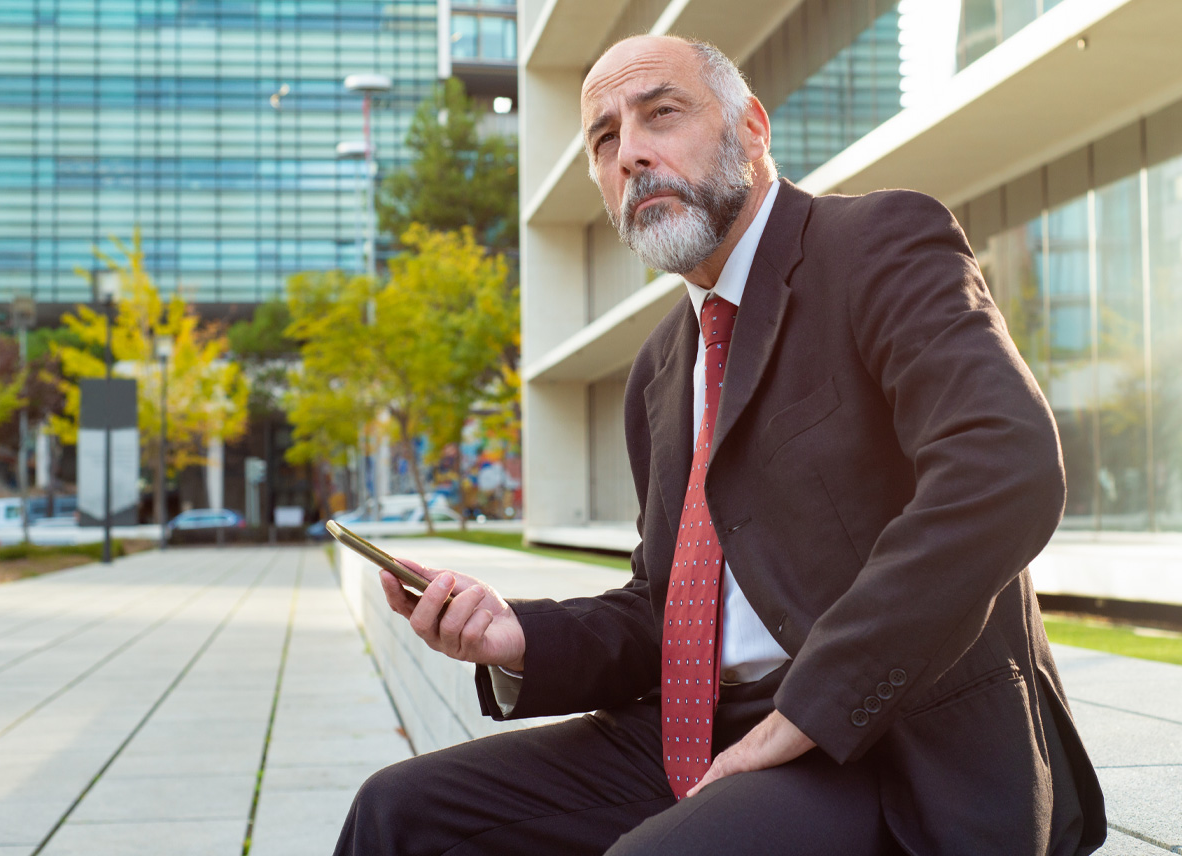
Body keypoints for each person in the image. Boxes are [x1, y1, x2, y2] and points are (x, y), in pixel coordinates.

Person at [334, 34, 1106, 855]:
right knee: (399, 812)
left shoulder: (882, 242)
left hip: (884, 741)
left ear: (752, 129)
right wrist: (515, 636)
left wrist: (810, 708)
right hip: (695, 729)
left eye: (660, 114)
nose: (629, 153)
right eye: (603, 139)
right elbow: (665, 609)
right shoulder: (661, 368)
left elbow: (1006, 465)